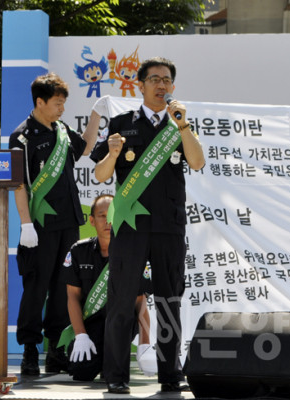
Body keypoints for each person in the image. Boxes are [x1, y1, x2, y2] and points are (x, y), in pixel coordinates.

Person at [90, 57, 205, 394]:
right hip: (130, 227)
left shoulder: (179, 125)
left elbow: (197, 162)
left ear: (173, 87)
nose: (161, 85)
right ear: (140, 85)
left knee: (170, 301)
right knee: (122, 300)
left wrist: (183, 125)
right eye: (154, 79)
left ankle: (170, 375)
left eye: (166, 80)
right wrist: (112, 154)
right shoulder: (121, 123)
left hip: (169, 225)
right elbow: (100, 174)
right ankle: (116, 375)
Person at [9, 72, 100, 375]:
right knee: (36, 287)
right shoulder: (22, 137)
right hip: (40, 225)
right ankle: (29, 350)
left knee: (64, 288)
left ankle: (56, 351)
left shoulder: (62, 130)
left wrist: (96, 116)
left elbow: (84, 148)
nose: (62, 109)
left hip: (69, 223)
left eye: (63, 103)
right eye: (57, 103)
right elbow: (19, 184)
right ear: (40, 102)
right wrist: (25, 224)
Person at [61, 194, 157, 381]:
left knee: (113, 368)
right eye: (102, 216)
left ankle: (111, 362)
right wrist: (81, 335)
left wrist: (144, 344)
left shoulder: (133, 254)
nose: (108, 221)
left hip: (122, 322)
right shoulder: (79, 251)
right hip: (92, 324)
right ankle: (104, 359)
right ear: (92, 220)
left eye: (112, 215)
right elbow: (72, 296)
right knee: (80, 371)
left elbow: (140, 303)